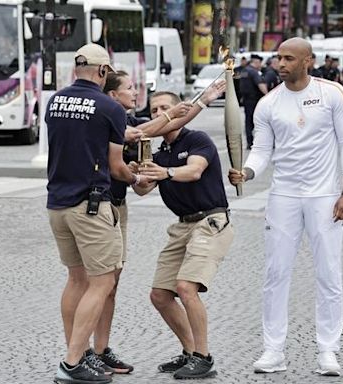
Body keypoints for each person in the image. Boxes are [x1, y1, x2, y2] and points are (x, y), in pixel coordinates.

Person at [228, 37, 343, 376]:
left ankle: (328, 351)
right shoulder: (268, 103)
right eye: (278, 58)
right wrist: (248, 170)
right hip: (283, 195)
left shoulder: (332, 93)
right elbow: (262, 149)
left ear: (307, 61)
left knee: (329, 274)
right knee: (275, 274)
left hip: (325, 196)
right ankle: (273, 350)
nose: (281, 64)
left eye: (288, 58)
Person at [46, 43, 150, 384]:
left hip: (58, 204)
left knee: (77, 280)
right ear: (103, 72)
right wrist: (138, 179)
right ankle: (74, 360)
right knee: (103, 281)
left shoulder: (55, 101)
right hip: (90, 206)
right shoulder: (108, 107)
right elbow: (117, 167)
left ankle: (81, 353)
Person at [77, 71, 193, 374]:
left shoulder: (126, 120)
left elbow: (142, 168)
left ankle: (100, 350)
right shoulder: (108, 117)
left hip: (117, 208)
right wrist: (200, 102)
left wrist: (139, 176)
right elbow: (143, 133)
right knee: (97, 284)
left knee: (110, 285)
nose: (135, 91)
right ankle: (82, 353)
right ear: (113, 95)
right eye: (129, 88)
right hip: (98, 208)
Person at [132, 91, 234, 380]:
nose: (160, 112)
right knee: (160, 295)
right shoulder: (157, 151)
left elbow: (194, 171)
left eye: (166, 107)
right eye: (155, 109)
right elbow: (142, 189)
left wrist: (165, 172)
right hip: (182, 225)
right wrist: (136, 175)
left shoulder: (197, 139)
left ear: (179, 109)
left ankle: (203, 357)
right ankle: (190, 352)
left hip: (210, 221)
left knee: (186, 287)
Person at [239, 54, 268, 149]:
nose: (261, 65)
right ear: (256, 62)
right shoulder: (253, 72)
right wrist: (268, 96)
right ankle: (258, 142)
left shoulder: (244, 71)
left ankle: (249, 142)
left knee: (248, 122)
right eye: (260, 63)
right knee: (258, 121)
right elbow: (261, 85)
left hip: (246, 100)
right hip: (254, 100)